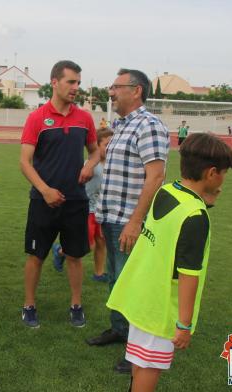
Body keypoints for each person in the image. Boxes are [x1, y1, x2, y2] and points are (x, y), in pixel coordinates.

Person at [107, 133, 232, 392]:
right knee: (149, 367)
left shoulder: (166, 191)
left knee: (139, 361)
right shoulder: (195, 216)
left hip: (139, 296)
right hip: (159, 308)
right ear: (212, 173)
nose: (224, 179)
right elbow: (189, 274)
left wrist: (206, 199)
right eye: (223, 173)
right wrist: (184, 324)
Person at [86, 68, 169, 375]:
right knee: (116, 281)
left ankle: (137, 351)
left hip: (128, 221)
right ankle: (120, 331)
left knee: (133, 286)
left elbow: (156, 175)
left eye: (116, 86)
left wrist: (135, 222)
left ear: (136, 91)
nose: (111, 91)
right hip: (111, 218)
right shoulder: (121, 125)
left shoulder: (148, 125)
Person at [20, 60, 100, 329]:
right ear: (54, 82)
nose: (76, 87)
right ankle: (29, 305)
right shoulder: (37, 118)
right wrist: (45, 190)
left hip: (76, 200)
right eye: (71, 82)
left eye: (78, 82)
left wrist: (90, 164)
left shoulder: (84, 117)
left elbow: (96, 150)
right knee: (36, 256)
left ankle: (76, 305)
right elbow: (24, 162)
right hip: (43, 200)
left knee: (75, 256)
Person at [52, 127, 113, 283]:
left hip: (102, 211)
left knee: (101, 242)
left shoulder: (112, 165)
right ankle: (59, 251)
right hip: (87, 210)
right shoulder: (89, 165)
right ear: (97, 145)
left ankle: (99, 273)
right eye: (106, 144)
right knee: (86, 244)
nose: (110, 147)